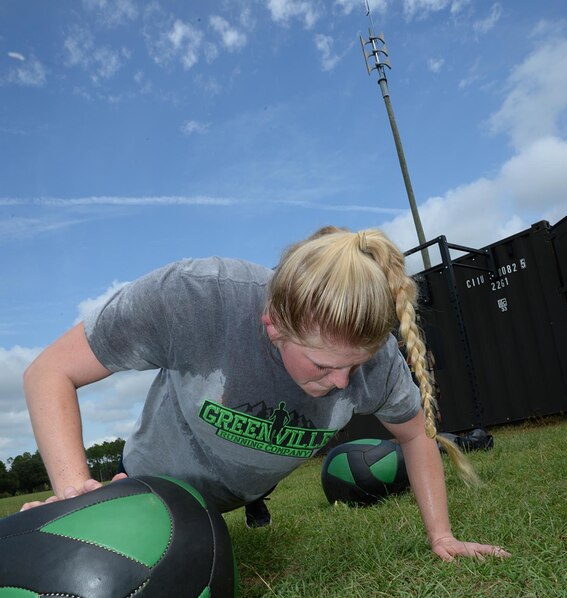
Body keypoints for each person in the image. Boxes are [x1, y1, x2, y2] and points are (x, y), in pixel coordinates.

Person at [22, 226, 510, 562]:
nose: (343, 384)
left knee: (261, 464)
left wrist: (441, 535)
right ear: (272, 325)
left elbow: (415, 436)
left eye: (354, 365)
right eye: (323, 365)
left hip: (246, 481)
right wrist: (72, 491)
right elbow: (49, 372)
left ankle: (257, 497)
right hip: (154, 479)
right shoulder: (195, 298)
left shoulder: (376, 360)